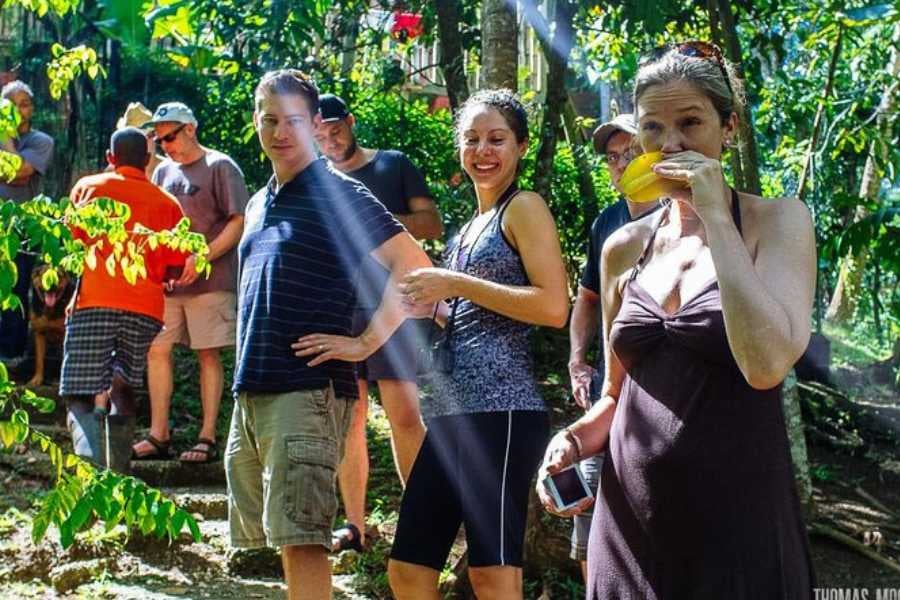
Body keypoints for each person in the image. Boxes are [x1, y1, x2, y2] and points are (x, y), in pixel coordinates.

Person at [537, 41, 817, 599]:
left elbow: (765, 365)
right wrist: (571, 439)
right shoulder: (622, 247)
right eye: (653, 129)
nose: (671, 145)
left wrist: (713, 213)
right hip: (630, 525)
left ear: (728, 127)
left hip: (738, 526)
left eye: (691, 123)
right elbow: (616, 397)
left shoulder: (779, 221)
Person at [226, 69, 432, 600]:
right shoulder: (258, 202)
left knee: (303, 542)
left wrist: (364, 343)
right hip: (254, 390)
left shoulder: (339, 192)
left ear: (315, 125)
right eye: (269, 120)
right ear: (257, 122)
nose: (280, 132)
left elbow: (415, 268)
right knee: (277, 541)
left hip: (308, 390)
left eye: (293, 121)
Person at [388, 89, 570, 600]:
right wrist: (435, 306)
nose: (483, 152)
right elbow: (477, 306)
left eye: (497, 140)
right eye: (471, 140)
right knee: (407, 569)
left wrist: (458, 285)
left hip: (504, 410)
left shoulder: (525, 207)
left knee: (493, 575)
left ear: (522, 146)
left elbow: (555, 306)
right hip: (450, 412)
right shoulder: (468, 228)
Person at [314, 92, 443, 551]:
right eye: (320, 133)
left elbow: (431, 223)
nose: (329, 139)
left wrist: (374, 225)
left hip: (396, 307)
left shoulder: (392, 165)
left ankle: (423, 518)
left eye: (336, 129)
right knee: (350, 418)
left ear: (350, 122)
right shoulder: (317, 183)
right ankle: (354, 525)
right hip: (338, 310)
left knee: (404, 412)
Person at [566, 112, 660, 579]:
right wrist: (577, 360)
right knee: (588, 517)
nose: (621, 164)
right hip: (608, 392)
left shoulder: (682, 215)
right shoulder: (607, 222)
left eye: (631, 153)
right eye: (612, 157)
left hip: (662, 398)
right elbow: (585, 300)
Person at [61, 127, 186, 472]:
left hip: (94, 301)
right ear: (148, 161)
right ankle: (117, 475)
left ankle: (90, 468)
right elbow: (174, 267)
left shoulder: (88, 189)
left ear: (109, 158)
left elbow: (70, 249)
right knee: (122, 386)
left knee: (82, 391)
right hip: (145, 309)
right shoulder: (168, 204)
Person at [131, 101, 250, 463]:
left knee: (207, 353)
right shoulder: (163, 173)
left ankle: (208, 436)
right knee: (157, 350)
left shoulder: (220, 165)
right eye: (159, 138)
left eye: (169, 136)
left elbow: (238, 221)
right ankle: (158, 433)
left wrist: (203, 257)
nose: (165, 145)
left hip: (212, 281)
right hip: (169, 284)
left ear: (190, 129)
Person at [0, 81, 54, 366]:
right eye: (11, 104)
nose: (18, 110)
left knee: (16, 288)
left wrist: (5, 136)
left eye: (24, 104)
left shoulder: (40, 141)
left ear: (32, 109)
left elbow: (18, 172)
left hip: (20, 228)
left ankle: (12, 356)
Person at [114, 102, 165, 178]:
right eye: (130, 139)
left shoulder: (170, 169)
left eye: (148, 136)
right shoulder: (113, 172)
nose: (139, 143)